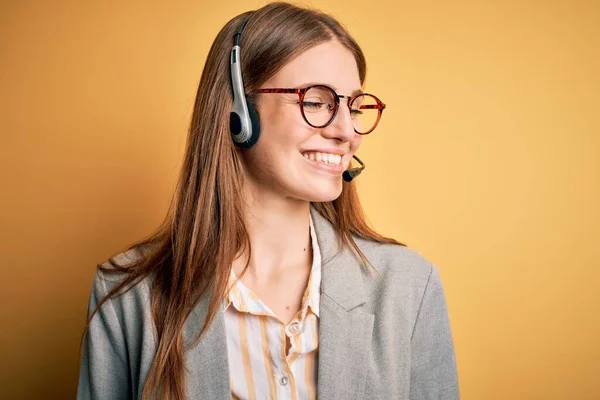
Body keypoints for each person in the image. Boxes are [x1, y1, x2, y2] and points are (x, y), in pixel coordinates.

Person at [77, 2, 459, 399]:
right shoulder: (127, 295)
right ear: (240, 111)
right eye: (316, 101)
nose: (349, 131)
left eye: (355, 105)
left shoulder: (410, 287)